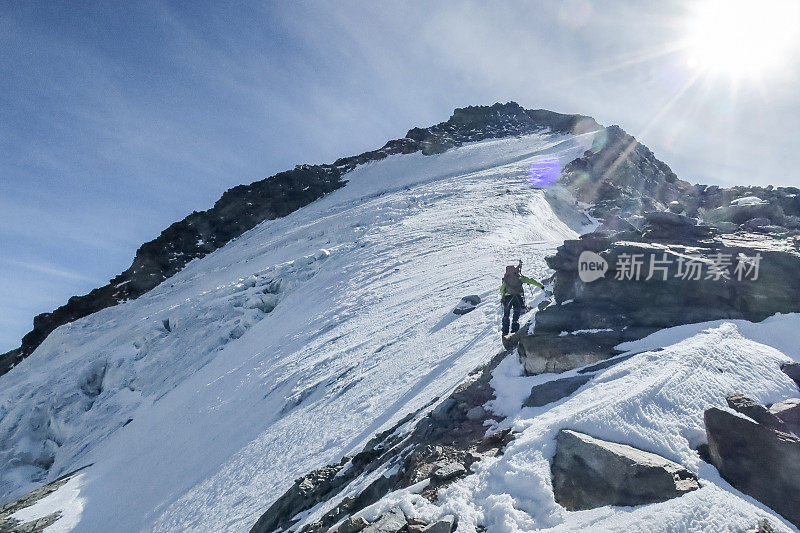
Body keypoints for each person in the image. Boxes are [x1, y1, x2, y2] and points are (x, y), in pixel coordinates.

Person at [500, 260, 544, 336]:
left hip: (507, 298)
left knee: (506, 315)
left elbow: (502, 289)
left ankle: (505, 333)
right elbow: (531, 281)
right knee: (516, 317)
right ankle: (514, 333)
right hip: (518, 298)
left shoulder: (506, 278)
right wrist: (541, 286)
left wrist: (503, 297)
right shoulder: (520, 277)